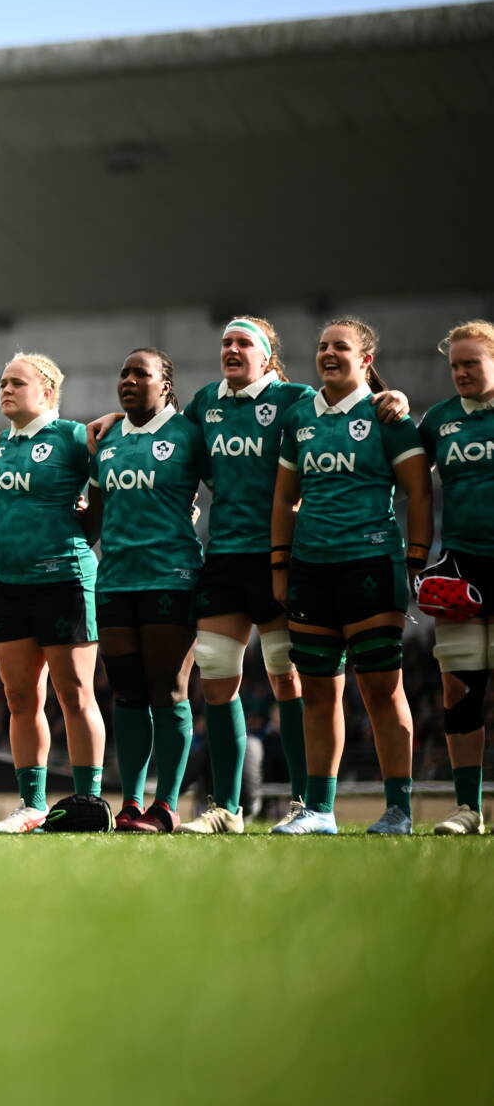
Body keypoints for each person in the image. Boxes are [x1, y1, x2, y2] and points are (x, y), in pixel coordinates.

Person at [87, 318, 408, 832]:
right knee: (215, 675)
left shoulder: (295, 398)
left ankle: (309, 805)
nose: (231, 350)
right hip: (225, 557)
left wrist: (393, 398)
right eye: (225, 343)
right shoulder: (205, 404)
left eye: (243, 344)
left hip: (285, 556)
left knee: (288, 677)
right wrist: (113, 418)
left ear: (267, 357)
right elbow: (156, 423)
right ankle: (227, 809)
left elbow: (346, 401)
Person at [271, 318, 431, 835]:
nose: (328, 354)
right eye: (321, 346)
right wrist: (281, 562)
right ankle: (319, 811)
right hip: (311, 570)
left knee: (383, 689)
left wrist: (415, 561)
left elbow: (420, 493)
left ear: (365, 360)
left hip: (370, 565)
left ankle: (399, 811)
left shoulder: (388, 415)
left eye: (340, 347)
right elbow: (284, 497)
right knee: (318, 692)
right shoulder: (299, 417)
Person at [84, 350, 209, 833]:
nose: (130, 380)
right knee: (128, 693)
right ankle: (132, 804)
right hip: (114, 579)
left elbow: (231, 486)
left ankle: (167, 805)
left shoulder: (189, 434)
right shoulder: (107, 438)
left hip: (171, 578)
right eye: (124, 373)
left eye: (142, 373)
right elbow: (93, 516)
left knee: (169, 689)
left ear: (166, 385)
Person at [0, 352, 108, 833]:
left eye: (17, 382)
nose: (6, 389)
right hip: (13, 586)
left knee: (75, 695)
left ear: (48, 392)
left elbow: (108, 488)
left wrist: (87, 530)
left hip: (65, 581)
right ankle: (32, 804)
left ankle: (88, 803)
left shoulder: (74, 437)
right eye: (3, 382)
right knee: (20, 698)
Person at [418, 320, 494, 835]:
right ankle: (469, 807)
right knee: (459, 690)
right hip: (462, 568)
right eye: (455, 365)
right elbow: (399, 463)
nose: (461, 372)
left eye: (472, 362)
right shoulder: (440, 420)